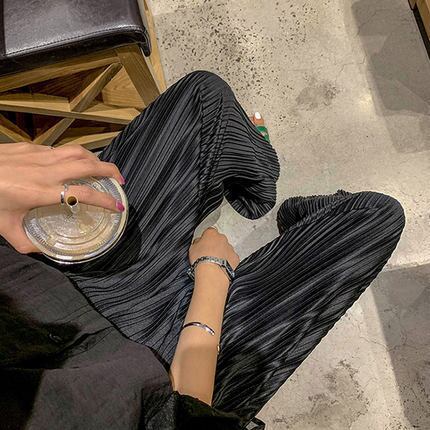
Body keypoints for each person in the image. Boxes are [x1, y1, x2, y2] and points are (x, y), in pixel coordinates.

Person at [0, 71, 405, 430]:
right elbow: (182, 415)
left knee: (204, 96)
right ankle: (291, 213)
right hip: (167, 378)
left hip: (51, 278)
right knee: (375, 217)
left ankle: (257, 188)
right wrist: (213, 272)